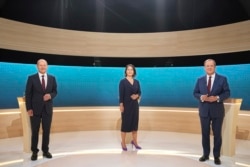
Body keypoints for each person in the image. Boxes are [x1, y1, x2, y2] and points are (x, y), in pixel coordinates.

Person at [193, 59, 230, 165]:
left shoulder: (222, 79)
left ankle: (216, 156)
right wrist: (201, 97)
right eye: (207, 66)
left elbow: (227, 92)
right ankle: (205, 154)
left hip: (217, 111)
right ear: (204, 67)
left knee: (217, 134)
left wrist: (217, 98)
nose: (209, 67)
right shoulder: (200, 80)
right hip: (204, 111)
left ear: (215, 67)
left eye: (211, 66)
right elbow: (195, 92)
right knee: (205, 134)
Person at [25, 59, 57, 161]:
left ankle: (45, 150)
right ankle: (34, 151)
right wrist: (29, 108)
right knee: (35, 131)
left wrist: (50, 95)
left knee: (46, 131)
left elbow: (55, 91)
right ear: (37, 66)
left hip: (47, 109)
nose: (43, 67)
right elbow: (28, 94)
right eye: (40, 65)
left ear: (47, 66)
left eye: (44, 65)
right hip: (35, 110)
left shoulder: (52, 78)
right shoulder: (31, 78)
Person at [119, 64, 142, 151]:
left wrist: (137, 96)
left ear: (134, 71)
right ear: (125, 71)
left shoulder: (137, 82)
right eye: (128, 70)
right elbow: (121, 95)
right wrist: (121, 105)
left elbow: (139, 92)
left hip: (135, 106)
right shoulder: (122, 82)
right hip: (126, 106)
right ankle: (123, 143)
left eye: (131, 70)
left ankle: (135, 142)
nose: (130, 71)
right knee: (125, 124)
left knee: (134, 125)